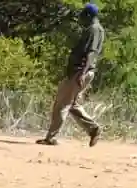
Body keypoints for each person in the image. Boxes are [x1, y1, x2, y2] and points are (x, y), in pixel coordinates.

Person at [37, 3, 104, 147]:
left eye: (83, 15)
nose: (81, 18)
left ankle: (51, 138)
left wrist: (82, 72)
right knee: (72, 104)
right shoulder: (94, 29)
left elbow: (92, 52)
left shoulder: (94, 29)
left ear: (88, 15)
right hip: (80, 71)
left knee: (62, 103)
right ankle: (93, 129)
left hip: (80, 72)